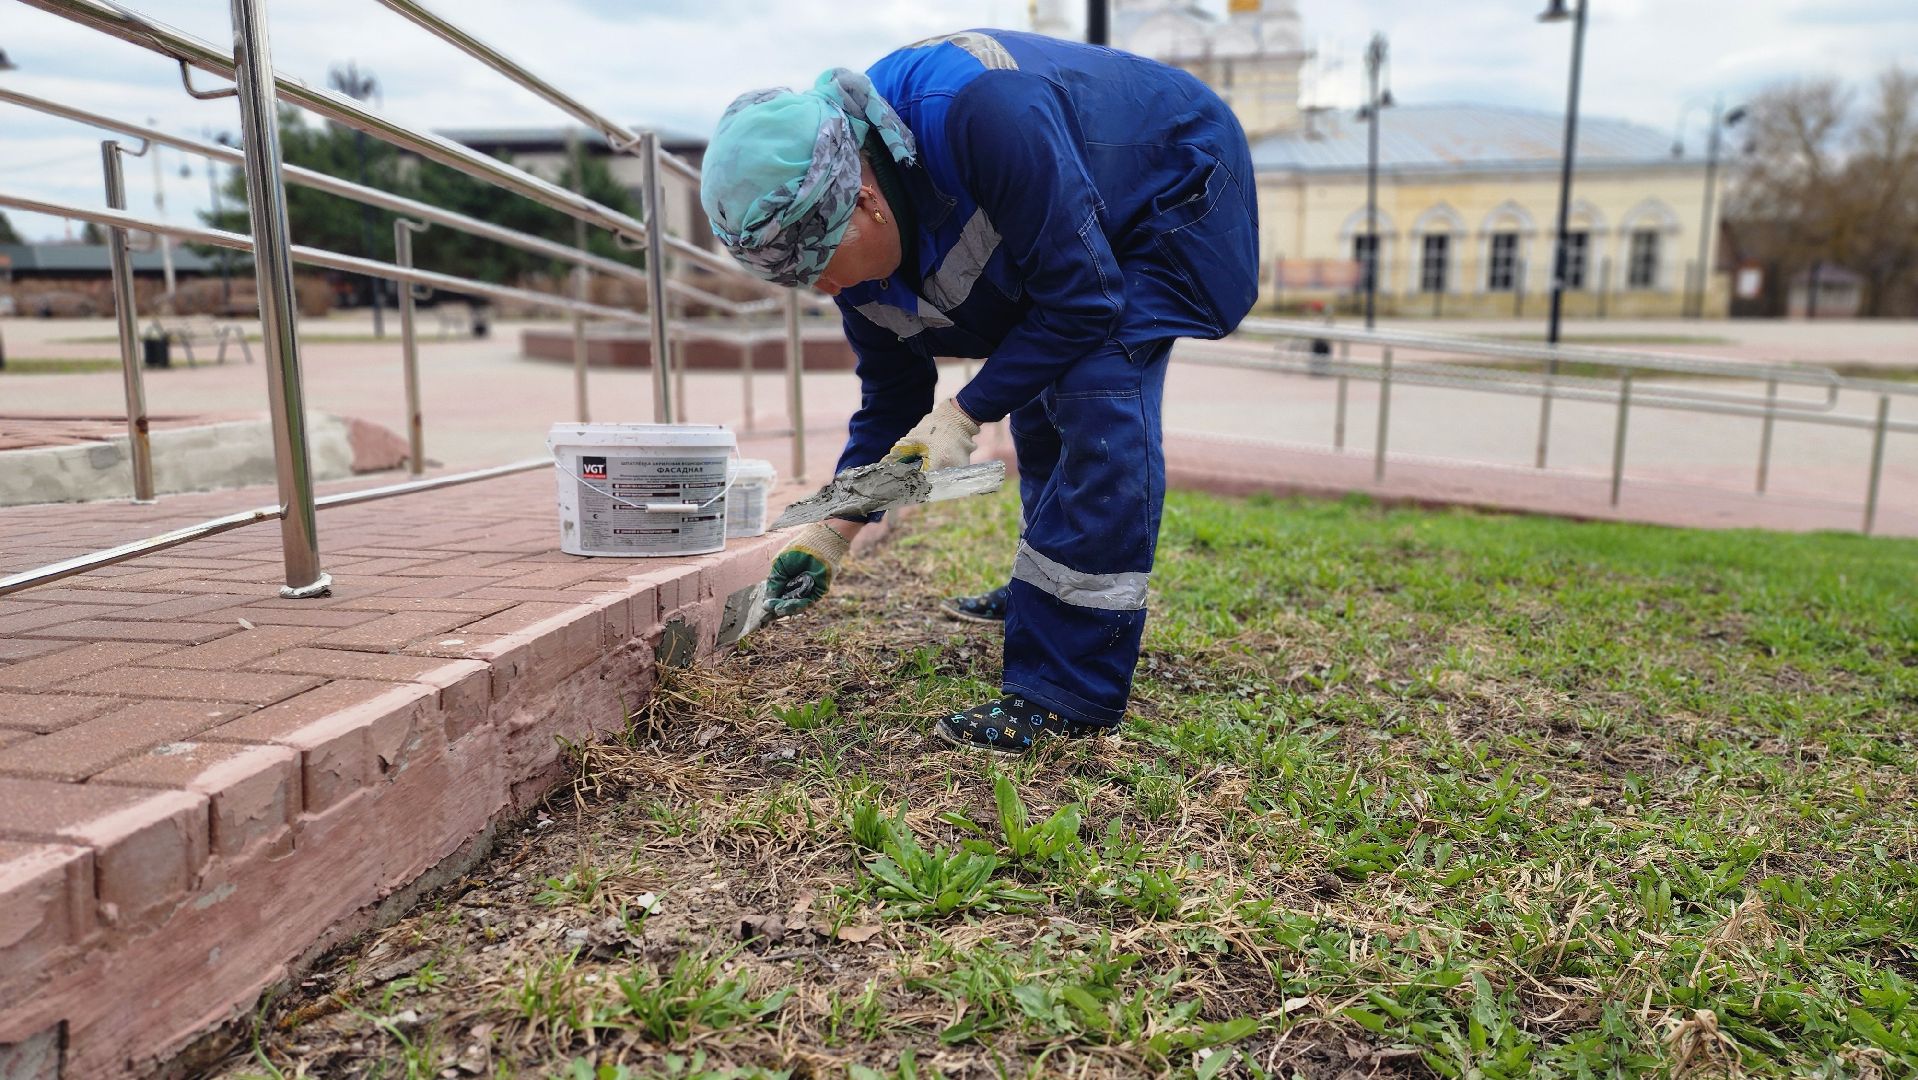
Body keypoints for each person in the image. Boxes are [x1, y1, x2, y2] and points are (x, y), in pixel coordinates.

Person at [700, 29, 1259, 755]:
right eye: (800, 279)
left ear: (864, 198)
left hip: (1175, 183)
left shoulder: (982, 113)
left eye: (821, 263)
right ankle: (1044, 598)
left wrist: (963, 414)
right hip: (1070, 221)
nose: (825, 289)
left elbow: (1084, 301)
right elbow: (893, 402)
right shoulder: (856, 263)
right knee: (1033, 393)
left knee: (1095, 386)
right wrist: (833, 528)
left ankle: (1067, 692)